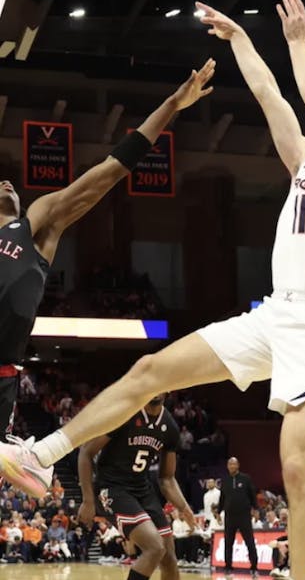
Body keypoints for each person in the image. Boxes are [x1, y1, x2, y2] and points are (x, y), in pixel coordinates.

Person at [0, 0, 305, 580]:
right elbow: (271, 97)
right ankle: (41, 455)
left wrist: (299, 41)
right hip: (273, 313)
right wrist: (239, 41)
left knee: (294, 468)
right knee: (148, 372)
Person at [0, 60, 215, 440]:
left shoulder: (36, 225)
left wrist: (170, 106)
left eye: (12, 185)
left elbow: (110, 170)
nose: (6, 183)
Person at [77, 394, 197, 580]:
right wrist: (87, 500)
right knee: (155, 547)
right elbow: (86, 452)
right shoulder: (124, 413)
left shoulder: (170, 427)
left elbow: (167, 478)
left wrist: (184, 507)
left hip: (142, 489)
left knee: (169, 558)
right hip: (112, 488)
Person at [221, 456, 258, 578]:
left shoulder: (246, 478)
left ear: (238, 465)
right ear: (227, 466)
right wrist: (219, 511)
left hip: (244, 515)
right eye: (230, 464)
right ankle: (228, 567)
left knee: (250, 542)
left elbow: (252, 494)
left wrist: (256, 508)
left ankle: (254, 567)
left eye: (234, 464)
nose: (232, 466)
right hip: (229, 516)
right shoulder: (225, 480)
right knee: (228, 543)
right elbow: (222, 497)